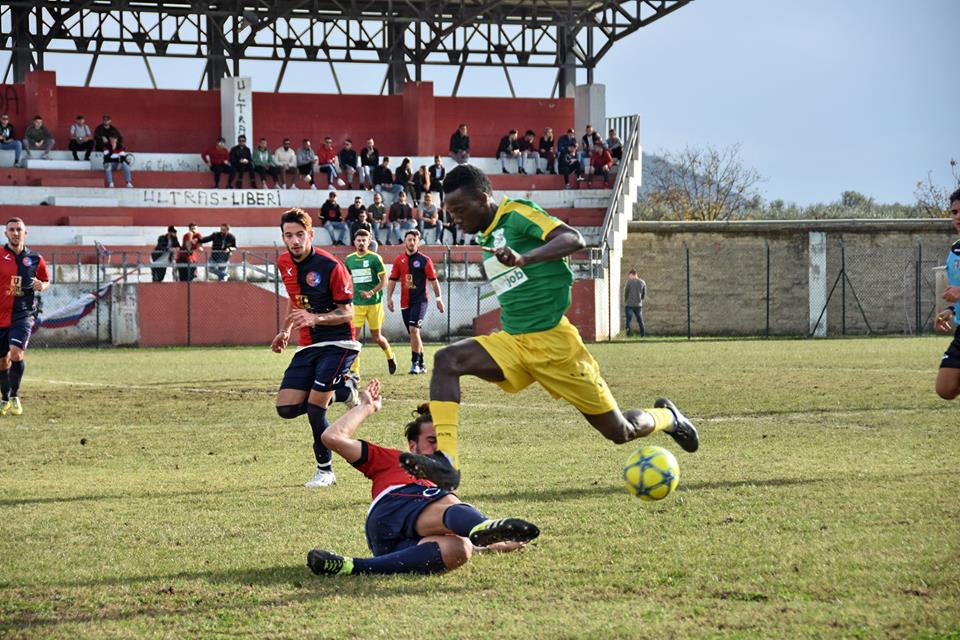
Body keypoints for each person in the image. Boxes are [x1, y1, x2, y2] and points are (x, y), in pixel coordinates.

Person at [398, 165, 700, 490]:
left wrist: (525, 258)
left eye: (459, 210)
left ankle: (668, 418)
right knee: (447, 360)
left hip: (556, 346)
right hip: (514, 342)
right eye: (449, 211)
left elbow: (573, 238)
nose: (454, 218)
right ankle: (448, 463)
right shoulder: (488, 236)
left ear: (482, 198)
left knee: (620, 431)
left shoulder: (517, 214)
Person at [307, 379, 540, 577]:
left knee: (459, 549)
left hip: (391, 544)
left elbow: (464, 537)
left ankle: (352, 567)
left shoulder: (436, 486)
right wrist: (367, 407)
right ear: (413, 446)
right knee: (449, 501)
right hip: (393, 505)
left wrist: (499, 544)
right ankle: (484, 523)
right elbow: (332, 437)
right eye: (432, 441)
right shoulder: (393, 459)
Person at [271, 208, 360, 488]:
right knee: (285, 408)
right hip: (309, 343)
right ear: (283, 238)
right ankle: (344, 390)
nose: (295, 240)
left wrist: (316, 318)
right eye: (289, 235)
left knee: (314, 408)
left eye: (300, 234)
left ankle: (325, 471)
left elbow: (349, 312)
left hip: (339, 343)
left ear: (311, 235)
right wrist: (285, 330)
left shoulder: (331, 265)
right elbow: (294, 300)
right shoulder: (283, 262)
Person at [0, 218, 50, 417]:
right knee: (3, 362)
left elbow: (46, 281)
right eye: (11, 230)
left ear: (25, 233)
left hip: (23, 314)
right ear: (6, 234)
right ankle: (5, 397)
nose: (15, 233)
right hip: (1, 315)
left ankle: (15, 395)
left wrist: (42, 285)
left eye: (18, 229)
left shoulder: (35, 258)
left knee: (16, 353)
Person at [386, 229, 444, 375]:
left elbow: (434, 281)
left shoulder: (424, 260)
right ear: (405, 241)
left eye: (414, 240)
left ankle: (415, 364)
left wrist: (438, 299)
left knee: (414, 330)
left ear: (418, 243)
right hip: (405, 302)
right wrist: (389, 298)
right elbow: (392, 280)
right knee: (413, 333)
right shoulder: (399, 260)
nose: (411, 242)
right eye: (409, 239)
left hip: (420, 301)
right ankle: (422, 363)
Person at [344, 230, 396, 377]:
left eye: (364, 240)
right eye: (358, 240)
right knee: (353, 339)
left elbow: (384, 280)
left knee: (376, 337)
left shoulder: (375, 258)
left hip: (374, 303)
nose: (361, 243)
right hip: (356, 305)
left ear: (369, 242)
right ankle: (355, 371)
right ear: (354, 242)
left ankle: (390, 356)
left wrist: (371, 293)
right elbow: (346, 280)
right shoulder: (349, 259)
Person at [934, 188, 960, 401]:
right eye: (954, 212)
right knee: (945, 387)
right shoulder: (954, 251)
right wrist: (951, 310)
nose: (958, 216)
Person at [623, 269, 646, 337]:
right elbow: (643, 293)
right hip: (638, 304)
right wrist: (641, 299)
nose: (629, 277)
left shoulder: (629, 282)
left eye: (630, 275)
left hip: (629, 304)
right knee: (640, 320)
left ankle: (628, 335)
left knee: (628, 321)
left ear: (633, 274)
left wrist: (626, 300)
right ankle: (642, 335)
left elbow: (626, 292)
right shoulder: (642, 282)